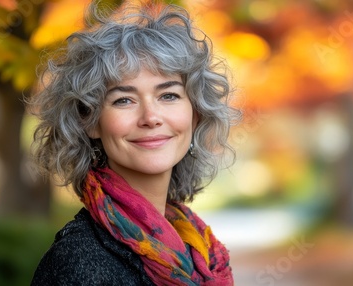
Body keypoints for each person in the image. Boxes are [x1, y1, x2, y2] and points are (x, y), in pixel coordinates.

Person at [29, 2, 239, 285]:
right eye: (123, 100)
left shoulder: (196, 247)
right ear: (90, 122)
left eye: (168, 96)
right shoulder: (77, 262)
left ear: (196, 115)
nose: (151, 118)